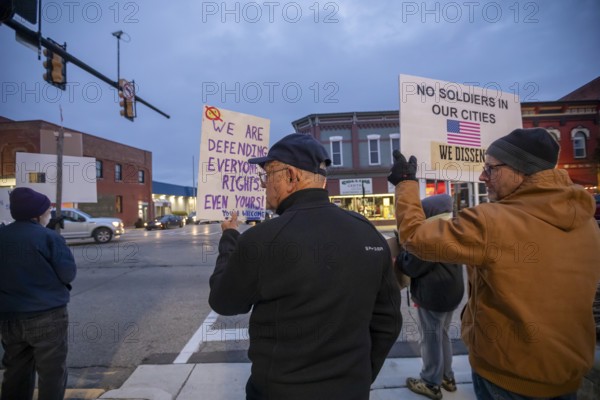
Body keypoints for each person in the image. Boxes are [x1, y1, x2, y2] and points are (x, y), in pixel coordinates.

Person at [388, 128, 600, 399]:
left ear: (520, 170)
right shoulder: (586, 221)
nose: (482, 176)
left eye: (491, 168)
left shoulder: (493, 221)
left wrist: (406, 185)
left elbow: (416, 239)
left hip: (507, 375)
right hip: (567, 372)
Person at [209, 133, 402, 400]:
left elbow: (223, 301)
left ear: (290, 176)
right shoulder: (367, 232)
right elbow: (388, 321)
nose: (263, 184)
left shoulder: (263, 239)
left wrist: (229, 238)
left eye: (267, 174)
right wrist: (361, 375)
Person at [0, 187, 77, 400]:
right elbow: (67, 273)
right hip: (47, 314)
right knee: (52, 371)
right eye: (47, 211)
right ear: (37, 214)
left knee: (15, 369)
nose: (50, 214)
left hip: (9, 316)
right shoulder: (48, 237)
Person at [398, 194, 464, 400]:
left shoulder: (430, 235)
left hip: (434, 294)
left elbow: (411, 266)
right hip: (451, 292)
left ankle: (430, 382)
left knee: (431, 339)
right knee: (442, 335)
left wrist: (402, 253)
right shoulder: (452, 228)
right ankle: (447, 377)